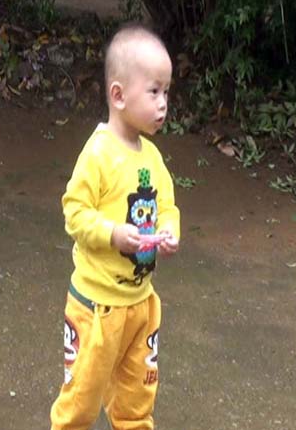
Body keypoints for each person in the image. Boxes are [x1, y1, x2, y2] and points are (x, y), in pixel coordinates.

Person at [50, 23, 181, 430]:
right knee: (81, 400)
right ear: (119, 95)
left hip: (141, 305)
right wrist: (113, 234)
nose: (163, 104)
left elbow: (166, 205)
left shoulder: (152, 158)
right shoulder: (98, 154)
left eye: (167, 92)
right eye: (154, 91)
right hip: (96, 308)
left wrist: (170, 230)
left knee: (136, 400)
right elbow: (75, 212)